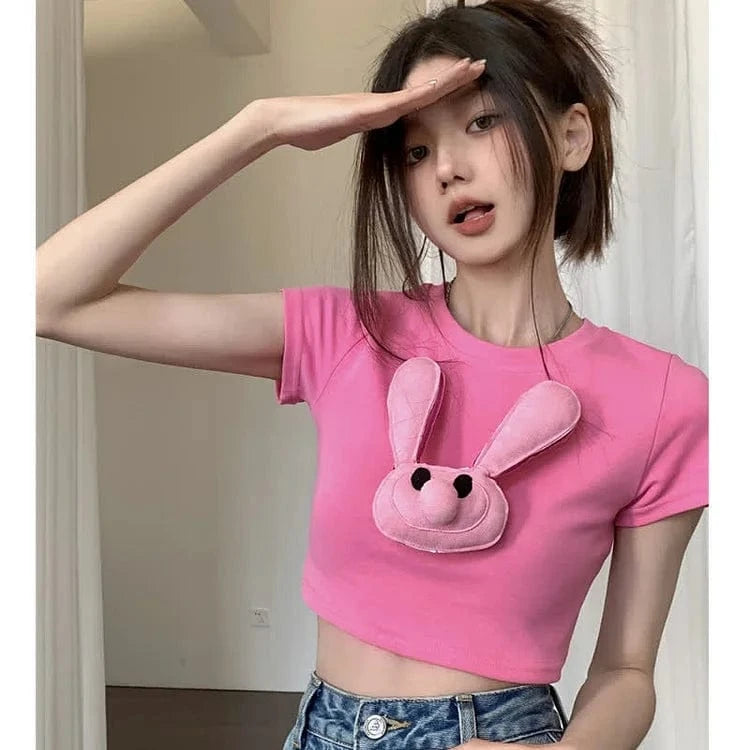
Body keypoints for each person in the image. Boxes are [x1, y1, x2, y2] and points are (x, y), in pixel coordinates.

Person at [36, 1, 708, 747]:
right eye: (415, 151)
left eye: (482, 122)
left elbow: (626, 671)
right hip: (321, 728)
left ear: (572, 136)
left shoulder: (665, 401)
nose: (448, 169)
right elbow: (49, 298)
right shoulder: (348, 331)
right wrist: (259, 127)